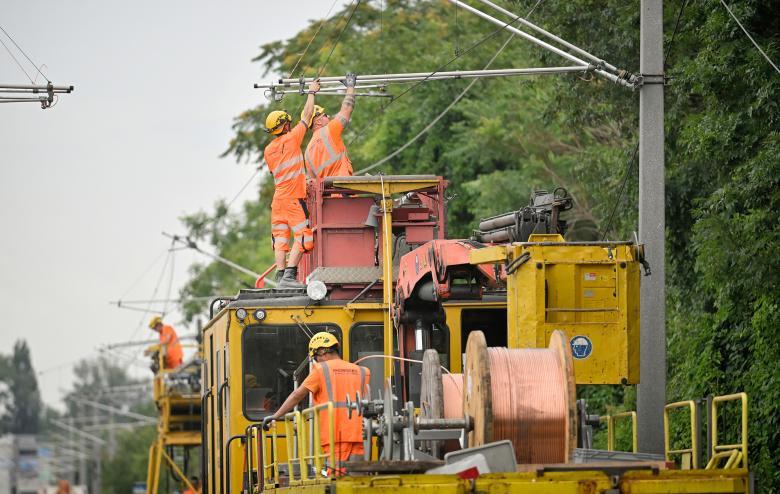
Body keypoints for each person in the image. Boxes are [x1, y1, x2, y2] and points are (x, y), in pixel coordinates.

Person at [267, 332, 369, 465]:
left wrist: (275, 416)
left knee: (338, 480)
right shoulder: (362, 371)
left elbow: (297, 395)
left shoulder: (321, 369)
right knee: (357, 479)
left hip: (335, 436)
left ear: (322, 352)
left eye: (315, 356)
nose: (316, 360)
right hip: (360, 435)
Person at [263, 79, 321, 289]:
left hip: (277, 201)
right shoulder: (292, 138)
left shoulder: (268, 150)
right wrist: (311, 92)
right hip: (293, 199)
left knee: (280, 238)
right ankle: (290, 275)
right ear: (285, 125)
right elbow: (306, 116)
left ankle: (280, 277)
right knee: (304, 236)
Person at [304, 73, 357, 179]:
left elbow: (313, 183)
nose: (328, 116)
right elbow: (347, 108)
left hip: (328, 194)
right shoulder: (329, 131)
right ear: (317, 122)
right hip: (343, 190)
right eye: (324, 115)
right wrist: (350, 87)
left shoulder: (307, 152)